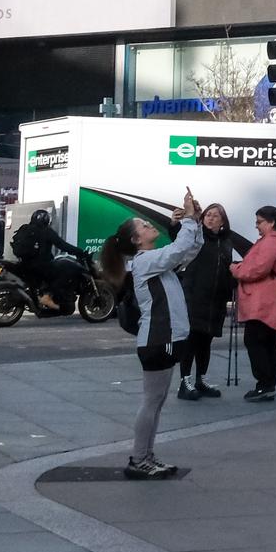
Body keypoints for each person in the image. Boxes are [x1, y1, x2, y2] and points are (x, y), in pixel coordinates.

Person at [98, 191, 203, 479]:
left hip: (162, 338)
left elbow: (189, 252)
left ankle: (145, 456)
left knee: (155, 402)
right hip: (158, 339)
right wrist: (190, 221)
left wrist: (193, 224)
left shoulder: (153, 260)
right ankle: (139, 458)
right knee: (151, 401)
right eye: (143, 225)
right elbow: (179, 251)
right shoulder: (145, 262)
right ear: (136, 240)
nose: (148, 225)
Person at [177, 202, 246, 397]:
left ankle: (201, 379)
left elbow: (225, 266)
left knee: (205, 340)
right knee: (191, 339)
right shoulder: (197, 237)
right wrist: (176, 223)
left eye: (215, 215)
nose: (210, 218)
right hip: (194, 296)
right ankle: (185, 381)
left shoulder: (226, 241)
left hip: (215, 299)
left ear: (223, 221)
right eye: (208, 214)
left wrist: (231, 281)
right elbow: (177, 240)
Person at [229, 205, 276, 401]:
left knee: (255, 340)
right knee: (267, 343)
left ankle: (264, 384)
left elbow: (257, 269)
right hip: (269, 299)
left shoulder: (271, 243)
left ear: (271, 222)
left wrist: (236, 270)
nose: (256, 226)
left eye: (259, 222)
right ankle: (268, 384)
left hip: (263, 302)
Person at [10, 208, 89, 312]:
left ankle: (41, 296)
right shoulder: (46, 231)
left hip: (24, 264)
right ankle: (47, 296)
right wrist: (79, 251)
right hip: (41, 265)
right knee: (66, 272)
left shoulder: (25, 228)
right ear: (46, 220)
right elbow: (62, 245)